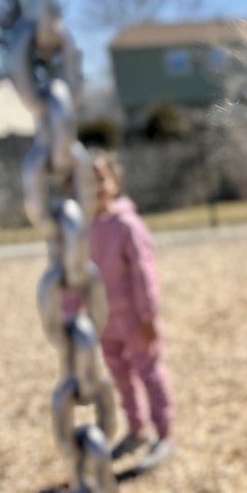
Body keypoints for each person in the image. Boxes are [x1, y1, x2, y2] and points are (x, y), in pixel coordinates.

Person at [85, 149, 176, 467]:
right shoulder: (81, 230)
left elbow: (143, 271)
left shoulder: (126, 225)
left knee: (148, 373)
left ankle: (164, 434)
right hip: (102, 321)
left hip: (134, 319)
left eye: (100, 178)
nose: (94, 186)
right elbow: (74, 277)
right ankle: (138, 429)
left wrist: (148, 314)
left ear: (114, 180)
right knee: (120, 376)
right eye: (85, 180)